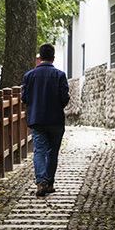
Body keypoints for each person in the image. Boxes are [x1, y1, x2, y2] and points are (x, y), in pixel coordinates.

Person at [22, 43, 70, 196]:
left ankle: (41, 181)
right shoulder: (59, 75)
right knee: (53, 152)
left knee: (40, 150)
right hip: (56, 119)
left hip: (37, 119)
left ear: (40, 57)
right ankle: (49, 183)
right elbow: (65, 98)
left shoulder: (29, 76)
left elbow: (24, 98)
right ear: (53, 58)